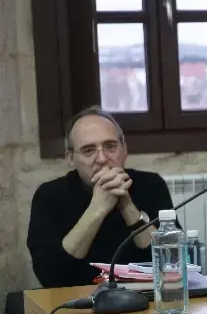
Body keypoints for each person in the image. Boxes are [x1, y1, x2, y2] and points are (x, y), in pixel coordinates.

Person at [26, 106, 175, 288]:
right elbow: (49, 275)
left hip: (143, 300)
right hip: (75, 303)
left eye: (110, 146)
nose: (102, 158)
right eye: (89, 150)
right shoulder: (49, 195)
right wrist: (97, 209)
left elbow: (171, 264)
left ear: (124, 149)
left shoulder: (151, 185)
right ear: (71, 158)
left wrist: (127, 206)